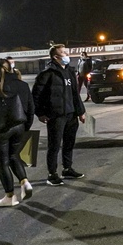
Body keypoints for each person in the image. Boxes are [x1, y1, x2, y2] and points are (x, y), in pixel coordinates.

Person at [0, 58, 35, 207]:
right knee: (14, 156)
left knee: (3, 162)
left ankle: (10, 196)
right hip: (19, 126)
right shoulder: (22, 85)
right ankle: (24, 182)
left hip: (0, 131)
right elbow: (30, 108)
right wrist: (25, 127)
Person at [32, 44, 86, 185]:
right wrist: (40, 113)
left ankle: (67, 169)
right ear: (56, 57)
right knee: (54, 145)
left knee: (69, 143)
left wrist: (81, 112)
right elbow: (36, 96)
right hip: (56, 115)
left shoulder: (70, 72)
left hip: (71, 114)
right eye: (64, 53)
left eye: (67, 52)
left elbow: (75, 94)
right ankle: (52, 174)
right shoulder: (47, 73)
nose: (67, 55)